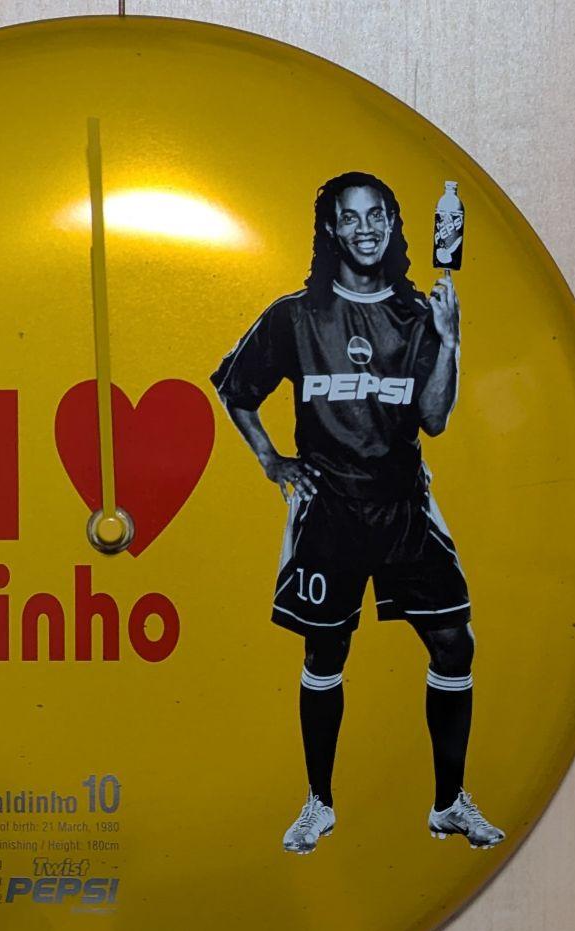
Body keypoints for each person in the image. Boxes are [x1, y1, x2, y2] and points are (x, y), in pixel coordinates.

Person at [210, 171, 504, 855]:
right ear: (331, 229)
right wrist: (272, 461)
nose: (365, 229)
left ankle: (449, 804)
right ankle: (318, 803)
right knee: (326, 649)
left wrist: (450, 341)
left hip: (404, 506)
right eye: (351, 217)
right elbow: (236, 389)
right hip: (331, 510)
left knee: (454, 643)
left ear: (395, 225)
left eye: (377, 216)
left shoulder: (416, 313)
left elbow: (434, 418)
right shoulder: (295, 316)